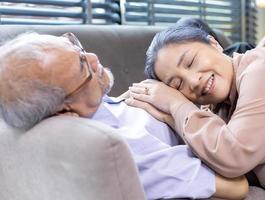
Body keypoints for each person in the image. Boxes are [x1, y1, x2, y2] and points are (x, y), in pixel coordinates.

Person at [0, 32, 249, 200]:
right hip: (222, 118)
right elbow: (238, 187)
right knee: (248, 57)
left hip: (198, 94)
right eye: (82, 66)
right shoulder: (127, 151)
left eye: (75, 46)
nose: (94, 58)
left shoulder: (86, 109)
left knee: (238, 50)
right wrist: (176, 108)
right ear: (66, 110)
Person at [126, 25, 265, 200]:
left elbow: (234, 156)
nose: (194, 81)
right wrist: (168, 115)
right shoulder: (215, 109)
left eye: (191, 62)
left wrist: (175, 104)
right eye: (178, 85)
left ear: (214, 43)